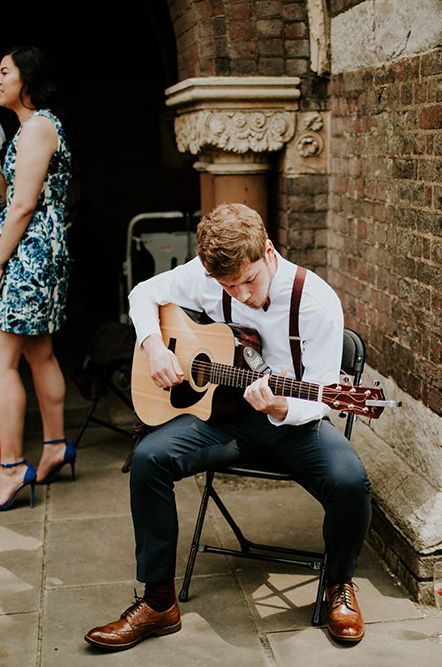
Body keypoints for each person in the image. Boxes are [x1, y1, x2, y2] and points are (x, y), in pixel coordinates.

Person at [84, 202, 372, 650]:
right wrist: (155, 346)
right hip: (222, 420)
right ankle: (159, 601)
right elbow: (142, 292)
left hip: (292, 425)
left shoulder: (316, 303)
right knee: (148, 460)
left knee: (351, 481)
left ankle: (339, 585)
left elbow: (321, 395)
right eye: (226, 286)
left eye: (248, 281)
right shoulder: (205, 275)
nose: (239, 295)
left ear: (269, 252)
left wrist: (280, 406)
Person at [0, 46, 74, 512]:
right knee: (38, 352)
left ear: (27, 78)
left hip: (29, 253)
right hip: (36, 250)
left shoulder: (40, 126)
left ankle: (9, 467)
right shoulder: (27, 130)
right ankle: (55, 446)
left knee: (1, 362)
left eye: (3, 71)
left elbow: (22, 205)